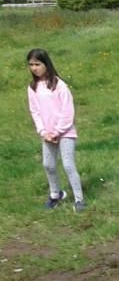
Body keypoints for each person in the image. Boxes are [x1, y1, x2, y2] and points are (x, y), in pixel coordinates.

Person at [26, 49, 85, 213]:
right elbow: (35, 111)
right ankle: (56, 194)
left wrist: (58, 131)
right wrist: (43, 132)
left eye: (37, 64)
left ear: (46, 64)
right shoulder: (33, 88)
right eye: (31, 65)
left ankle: (79, 199)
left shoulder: (59, 85)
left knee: (68, 165)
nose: (34, 68)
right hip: (47, 134)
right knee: (48, 165)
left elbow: (68, 111)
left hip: (65, 133)